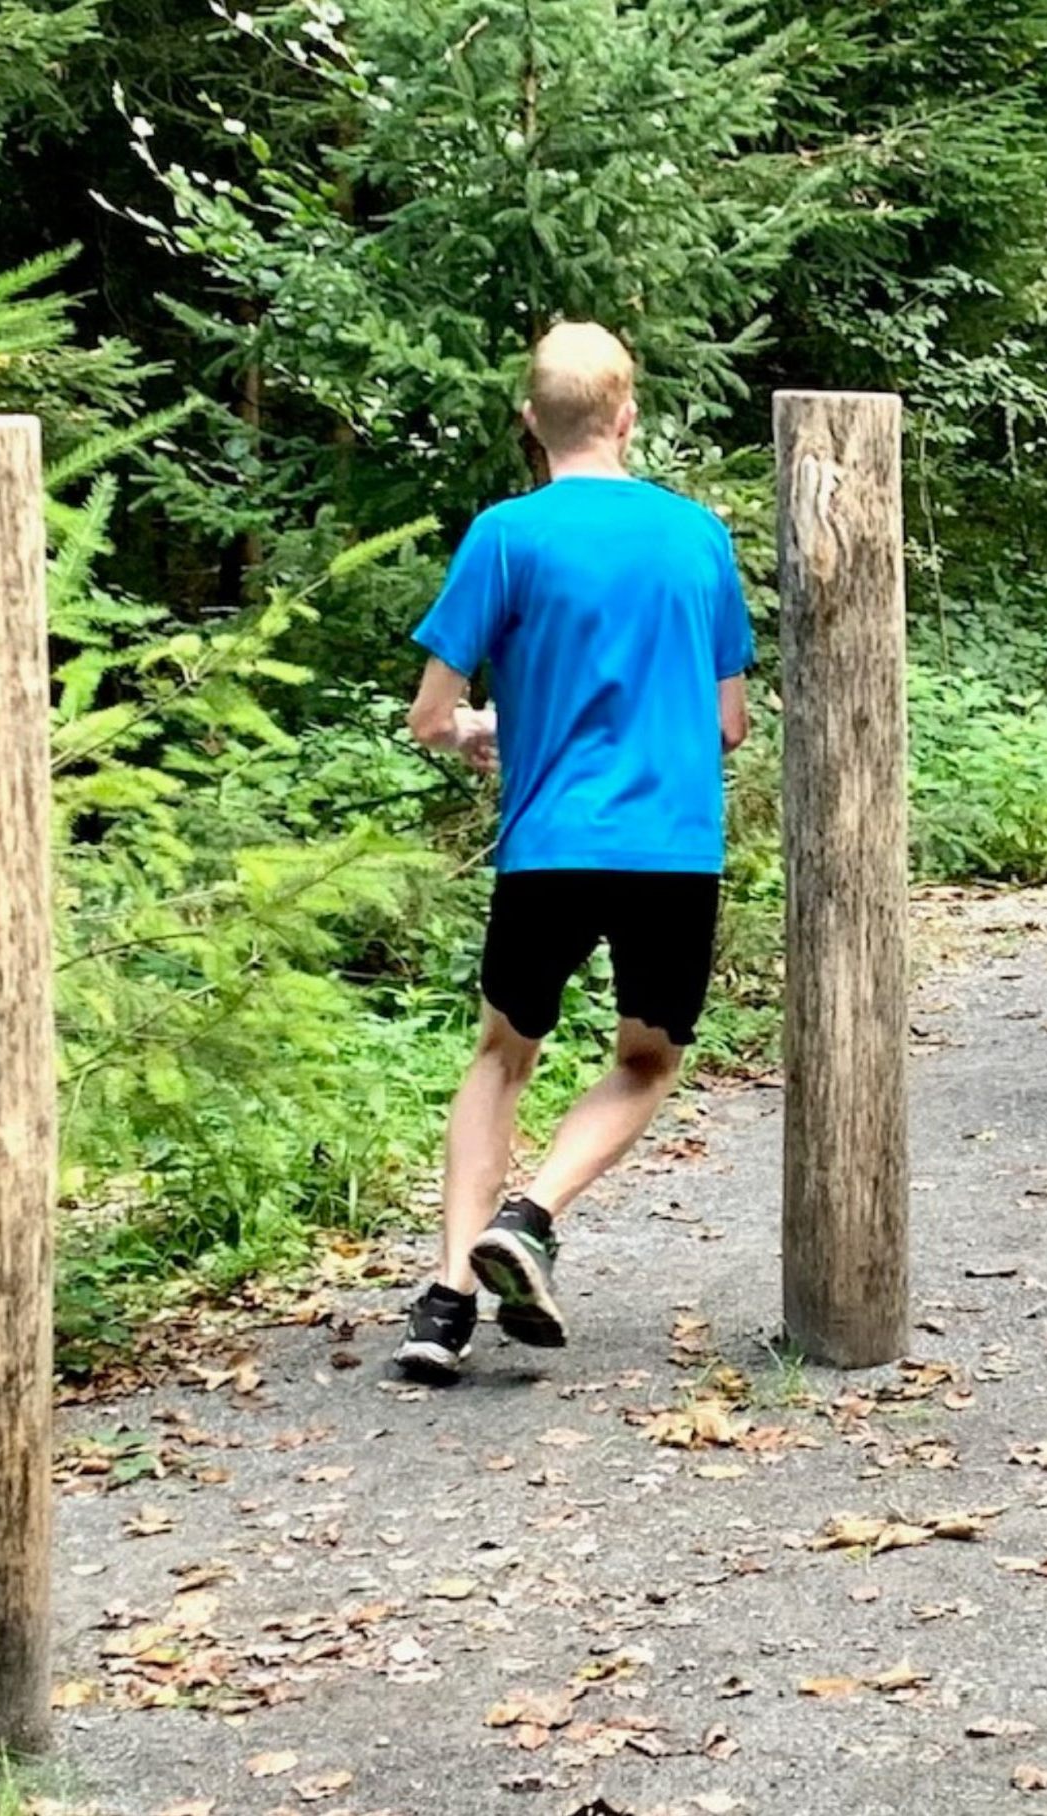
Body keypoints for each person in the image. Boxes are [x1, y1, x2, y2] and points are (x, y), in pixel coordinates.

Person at [393, 321, 753, 1379]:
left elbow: (430, 717)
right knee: (647, 1059)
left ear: (529, 421)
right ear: (628, 415)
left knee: (501, 1055)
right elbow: (727, 724)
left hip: (547, 844)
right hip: (670, 848)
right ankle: (533, 1214)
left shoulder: (505, 536)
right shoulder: (697, 536)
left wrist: (484, 730)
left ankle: (446, 1304)